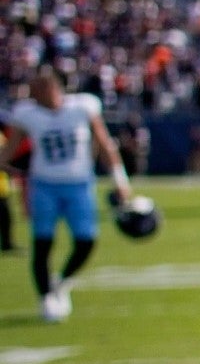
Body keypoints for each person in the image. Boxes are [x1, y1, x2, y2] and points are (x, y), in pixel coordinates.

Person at [2, 69, 132, 322]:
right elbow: (9, 151)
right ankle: (46, 298)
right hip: (44, 185)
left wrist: (120, 180)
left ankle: (61, 282)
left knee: (86, 242)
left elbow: (104, 143)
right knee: (42, 243)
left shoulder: (82, 107)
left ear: (54, 87)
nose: (32, 92)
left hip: (79, 184)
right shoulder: (27, 114)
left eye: (38, 86)